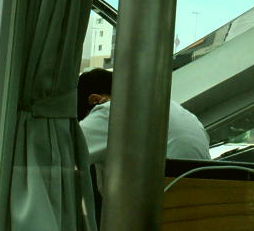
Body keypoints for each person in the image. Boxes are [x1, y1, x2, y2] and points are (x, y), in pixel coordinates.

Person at [77, 67, 209, 165]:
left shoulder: (113, 111)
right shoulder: (177, 109)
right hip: (206, 191)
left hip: (161, 191)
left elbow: (68, 152)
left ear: (95, 100)